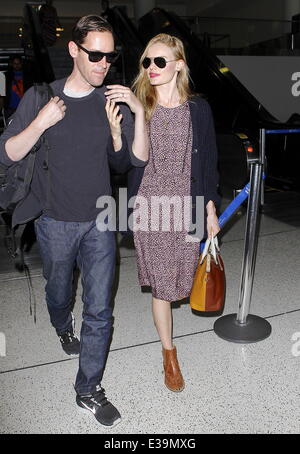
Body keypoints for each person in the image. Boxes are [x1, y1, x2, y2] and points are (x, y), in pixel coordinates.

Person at [0, 15, 148, 427]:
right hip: (54, 223)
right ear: (73, 51)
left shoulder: (111, 103)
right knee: (59, 290)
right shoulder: (42, 97)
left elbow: (132, 160)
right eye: (95, 54)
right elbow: (7, 153)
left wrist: (131, 119)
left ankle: (88, 389)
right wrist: (40, 122)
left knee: (100, 308)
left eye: (110, 55)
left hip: (101, 221)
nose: (104, 63)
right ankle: (62, 325)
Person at [130, 33, 220, 392]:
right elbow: (129, 160)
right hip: (151, 206)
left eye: (160, 61)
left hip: (187, 204)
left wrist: (210, 209)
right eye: (146, 62)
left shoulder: (198, 109)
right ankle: (169, 355)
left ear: (179, 64)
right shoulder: (141, 105)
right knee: (163, 287)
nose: (151, 68)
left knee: (180, 280)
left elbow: (210, 163)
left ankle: (168, 349)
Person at [3, 56, 24, 121]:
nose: (17, 65)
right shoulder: (6, 76)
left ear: (21, 64)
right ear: (11, 64)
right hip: (10, 108)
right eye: (15, 63)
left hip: (23, 107)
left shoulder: (27, 76)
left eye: (18, 63)